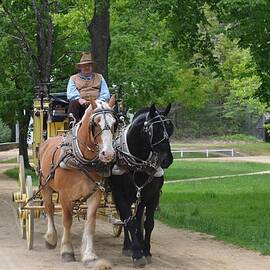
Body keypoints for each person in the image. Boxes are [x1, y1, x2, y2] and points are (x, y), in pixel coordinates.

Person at [67, 52, 110, 122]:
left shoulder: (100, 77)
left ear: (92, 67)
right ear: (80, 67)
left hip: (97, 105)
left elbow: (105, 93)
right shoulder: (73, 78)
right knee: (73, 103)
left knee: (108, 107)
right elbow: (71, 93)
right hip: (81, 105)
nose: (86, 67)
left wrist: (97, 102)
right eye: (84, 66)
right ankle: (73, 125)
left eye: (88, 65)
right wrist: (80, 100)